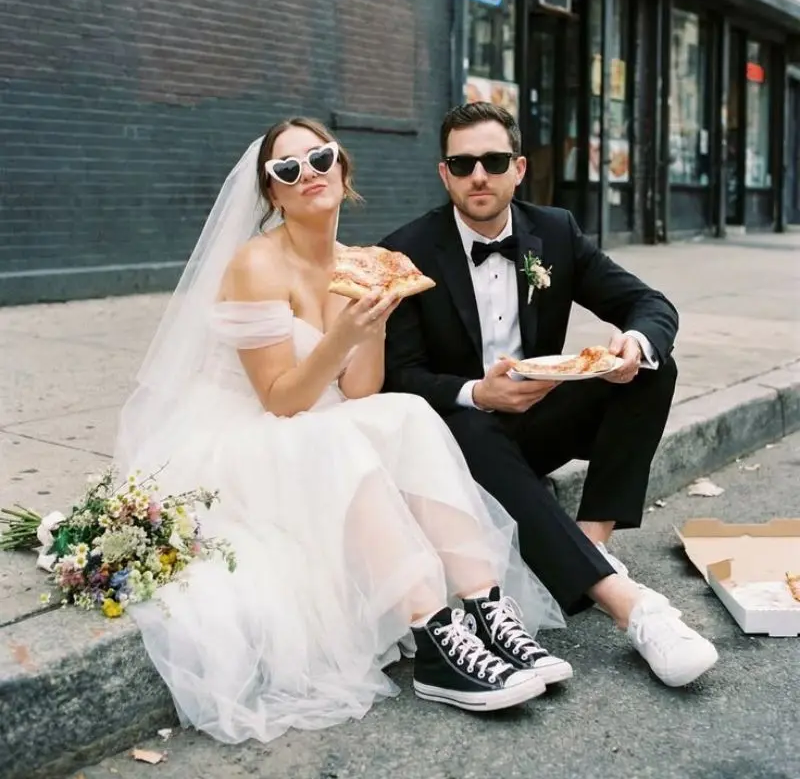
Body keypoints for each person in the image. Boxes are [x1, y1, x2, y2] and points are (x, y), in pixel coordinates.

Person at [113, 116, 573, 746]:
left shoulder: (363, 264)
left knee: (409, 412)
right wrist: (342, 336)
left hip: (318, 417)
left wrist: (374, 321)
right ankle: (432, 633)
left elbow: (359, 392)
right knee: (336, 438)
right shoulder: (255, 267)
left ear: (342, 170)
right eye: (287, 169)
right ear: (272, 191)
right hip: (247, 434)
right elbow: (281, 401)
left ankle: (486, 605)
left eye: (320, 158)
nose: (308, 175)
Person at [380, 101, 719, 688]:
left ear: (518, 167)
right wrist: (476, 393)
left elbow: (651, 305)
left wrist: (633, 345)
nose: (478, 176)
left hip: (539, 423)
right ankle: (629, 607)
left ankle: (590, 546)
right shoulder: (406, 250)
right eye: (462, 165)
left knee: (651, 367)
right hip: (460, 441)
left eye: (491, 161)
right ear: (444, 175)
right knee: (470, 425)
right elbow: (398, 377)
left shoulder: (554, 232)